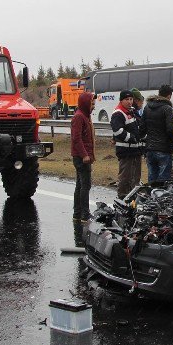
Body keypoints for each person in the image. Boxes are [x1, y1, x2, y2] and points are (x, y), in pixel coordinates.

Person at [70, 91, 96, 245]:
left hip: (84, 156)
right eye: (91, 104)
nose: (93, 107)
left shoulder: (85, 115)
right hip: (81, 157)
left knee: (80, 185)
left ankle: (78, 213)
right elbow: (76, 138)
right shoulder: (79, 117)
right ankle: (84, 214)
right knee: (85, 185)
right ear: (85, 103)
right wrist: (85, 154)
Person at [110, 89, 144, 198]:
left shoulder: (132, 111)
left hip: (136, 151)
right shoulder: (118, 113)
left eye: (131, 99)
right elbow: (118, 131)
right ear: (121, 100)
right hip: (126, 152)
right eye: (127, 99)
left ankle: (133, 200)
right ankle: (122, 200)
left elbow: (139, 128)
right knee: (125, 179)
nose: (129, 101)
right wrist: (132, 138)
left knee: (135, 178)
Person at [142, 84, 173, 183]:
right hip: (164, 148)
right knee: (164, 181)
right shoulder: (167, 108)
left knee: (152, 177)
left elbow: (142, 128)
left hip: (150, 148)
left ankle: (152, 197)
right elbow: (170, 129)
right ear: (169, 95)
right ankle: (161, 197)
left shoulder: (147, 107)